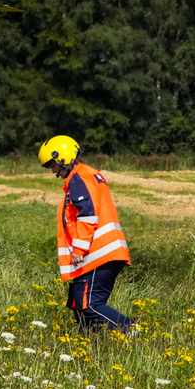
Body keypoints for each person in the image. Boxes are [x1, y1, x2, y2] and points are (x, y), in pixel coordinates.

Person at [39, 134, 133, 332]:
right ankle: (91, 345)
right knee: (78, 305)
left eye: (52, 165)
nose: (53, 171)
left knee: (89, 306)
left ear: (62, 157)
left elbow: (87, 215)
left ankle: (131, 331)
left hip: (99, 254)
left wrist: (79, 249)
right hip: (99, 255)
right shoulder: (84, 176)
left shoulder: (79, 178)